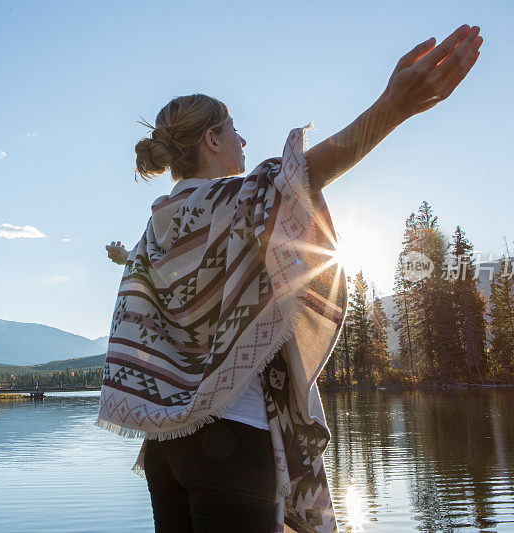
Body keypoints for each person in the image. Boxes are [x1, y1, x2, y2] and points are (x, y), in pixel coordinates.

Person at [97, 25, 482, 533]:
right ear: (212, 139)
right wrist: (395, 106)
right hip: (233, 439)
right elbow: (305, 173)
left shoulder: (159, 226)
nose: (243, 139)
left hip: (166, 452)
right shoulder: (230, 202)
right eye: (234, 129)